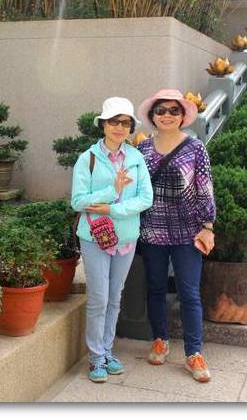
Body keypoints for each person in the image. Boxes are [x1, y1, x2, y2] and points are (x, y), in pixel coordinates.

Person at [71, 97, 154, 384]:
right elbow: (78, 201)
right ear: (103, 124)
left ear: (131, 127)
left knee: (115, 297)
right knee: (98, 298)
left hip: (126, 237)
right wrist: (111, 190)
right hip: (95, 237)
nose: (119, 127)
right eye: (114, 121)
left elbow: (146, 198)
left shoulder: (136, 158)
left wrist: (112, 209)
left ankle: (107, 350)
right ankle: (95, 356)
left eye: (125, 122)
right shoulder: (88, 158)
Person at [135, 88, 216, 383]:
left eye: (173, 110)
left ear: (183, 116)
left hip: (188, 231)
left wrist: (208, 226)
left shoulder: (195, 148)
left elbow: (205, 187)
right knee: (155, 288)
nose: (167, 115)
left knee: (189, 293)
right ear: (153, 116)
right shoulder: (142, 150)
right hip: (152, 229)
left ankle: (194, 352)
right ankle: (160, 339)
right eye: (161, 111)